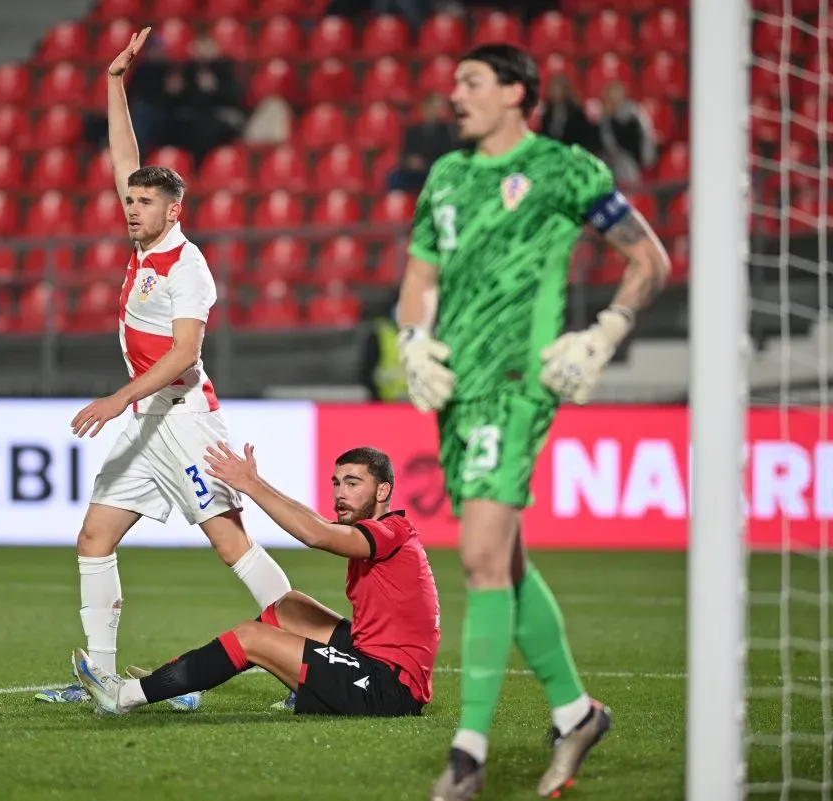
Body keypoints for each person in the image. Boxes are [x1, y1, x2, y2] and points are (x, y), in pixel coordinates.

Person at [395, 45, 671, 800]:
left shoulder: (565, 168)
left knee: (482, 554)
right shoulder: (446, 178)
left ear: (516, 93)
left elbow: (648, 258)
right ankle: (577, 713)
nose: (454, 94)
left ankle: (467, 754)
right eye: (454, 80)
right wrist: (413, 340)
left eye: (472, 82)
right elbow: (419, 276)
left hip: (522, 383)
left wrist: (604, 332)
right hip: (457, 389)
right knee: (504, 561)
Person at [36, 27, 292, 706]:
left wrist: (118, 398)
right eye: (129, 200)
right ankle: (102, 675)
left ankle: (312, 661)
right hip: (147, 419)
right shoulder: (147, 245)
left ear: (174, 209)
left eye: (144, 202)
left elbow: (184, 354)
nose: (131, 208)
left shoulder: (187, 266)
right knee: (94, 536)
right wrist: (115, 80)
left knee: (232, 544)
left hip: (183, 418)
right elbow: (126, 153)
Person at [73, 445, 440, 720]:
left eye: (353, 483)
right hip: (371, 657)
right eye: (337, 483)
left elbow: (316, 534)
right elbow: (320, 526)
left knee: (250, 637)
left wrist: (252, 484)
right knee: (289, 606)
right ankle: (183, 684)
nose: (340, 493)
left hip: (389, 688)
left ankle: (124, 697)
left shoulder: (392, 531)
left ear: (382, 492)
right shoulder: (381, 531)